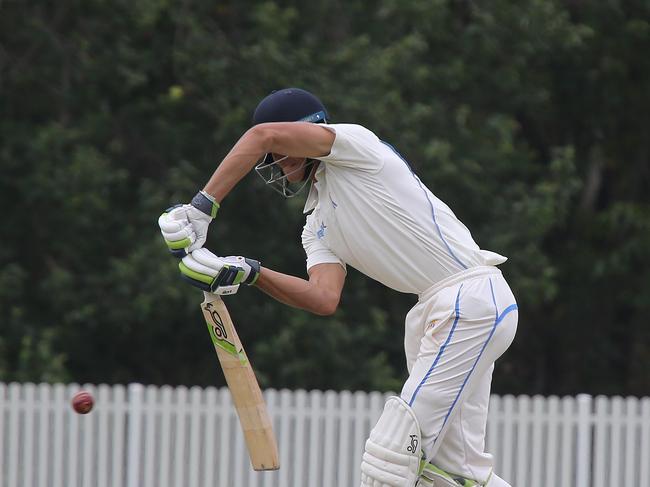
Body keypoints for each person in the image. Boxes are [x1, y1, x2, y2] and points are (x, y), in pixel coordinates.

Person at [158, 88, 518, 487]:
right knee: (452, 476)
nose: (274, 166)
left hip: (470, 299)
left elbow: (262, 135)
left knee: (390, 458)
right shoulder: (315, 226)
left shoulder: (358, 147)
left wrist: (201, 207)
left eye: (277, 158)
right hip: (437, 313)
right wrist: (248, 273)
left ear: (301, 136)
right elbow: (323, 298)